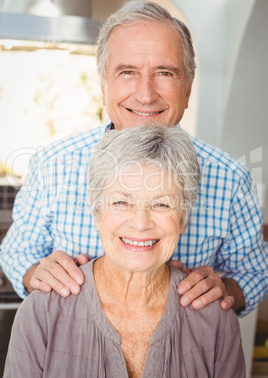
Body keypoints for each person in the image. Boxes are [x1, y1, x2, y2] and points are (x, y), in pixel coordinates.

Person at [0, 0, 267, 317]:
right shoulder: (52, 164)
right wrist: (34, 273)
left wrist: (227, 291)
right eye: (127, 72)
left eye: (165, 72)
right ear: (104, 85)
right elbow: (17, 251)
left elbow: (255, 272)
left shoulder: (230, 178)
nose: (145, 94)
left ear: (188, 89)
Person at [4, 124, 246, 378]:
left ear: (183, 219)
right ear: (97, 213)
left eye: (162, 203)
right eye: (121, 202)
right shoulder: (41, 312)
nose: (140, 223)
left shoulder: (217, 320)